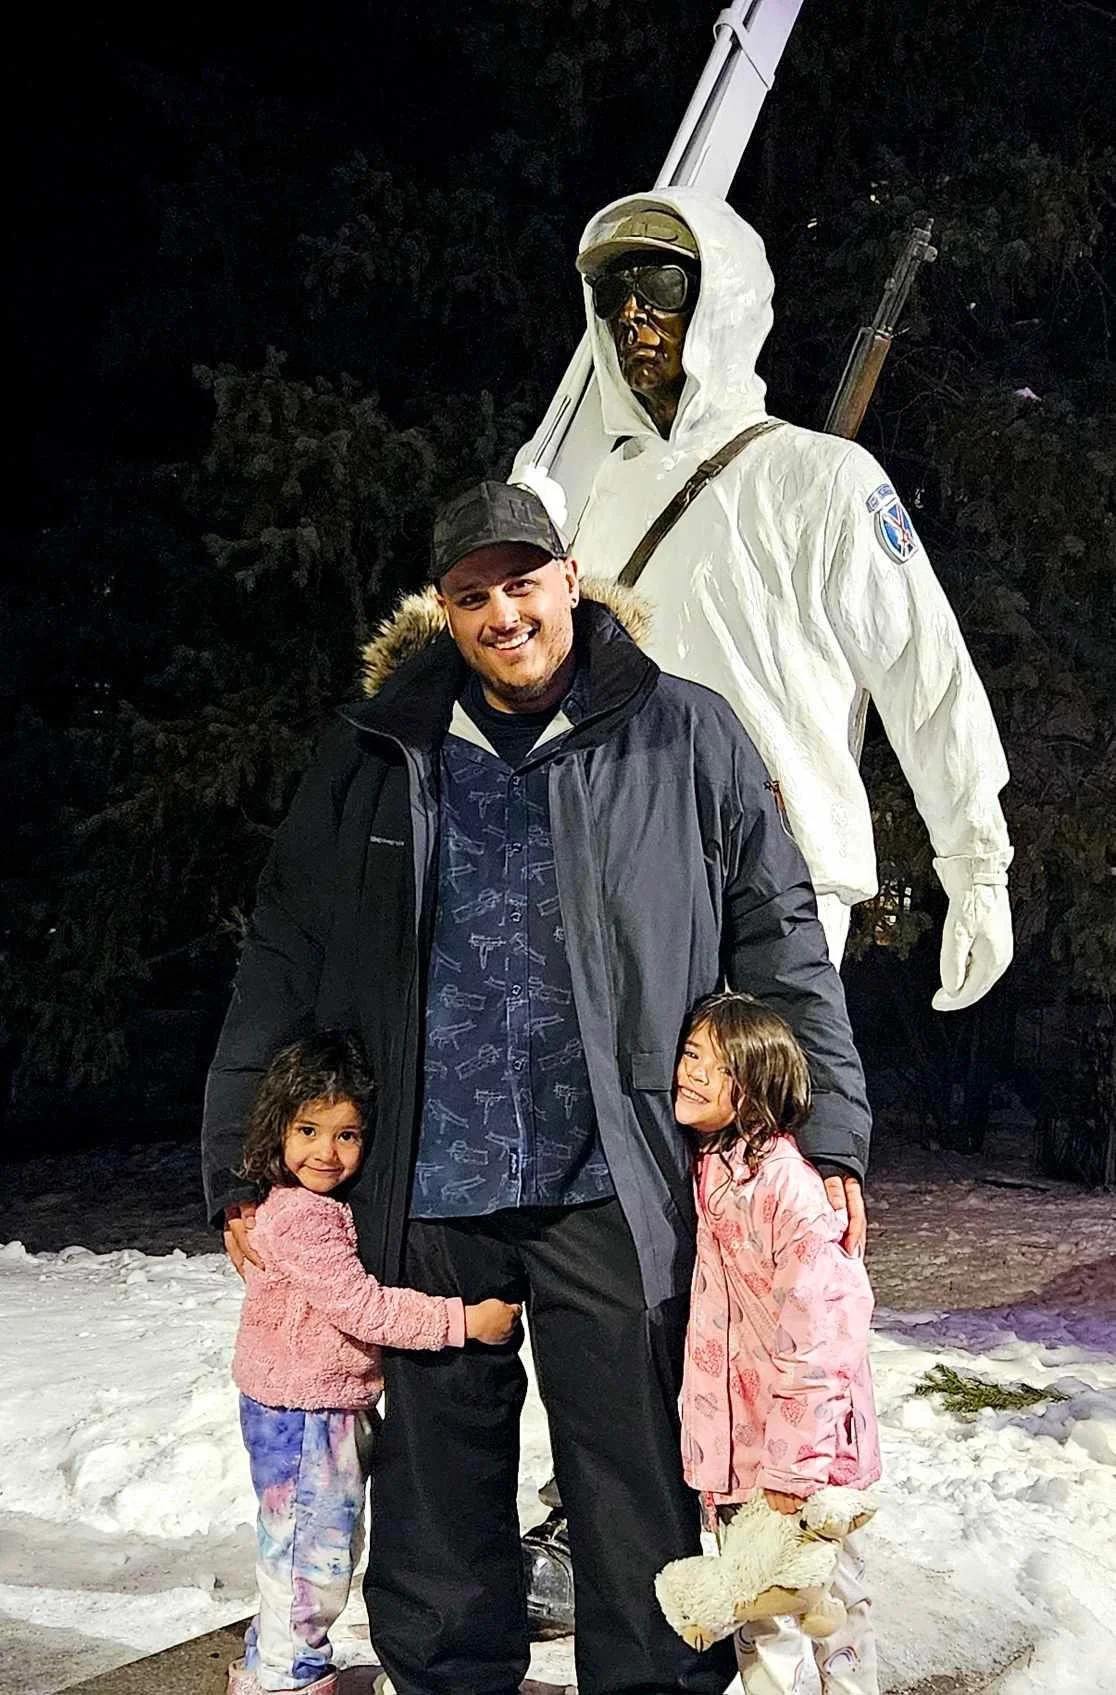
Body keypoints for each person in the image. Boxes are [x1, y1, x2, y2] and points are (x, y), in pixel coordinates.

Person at [202, 478, 872, 1695]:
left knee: (630, 1465)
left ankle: (651, 1679)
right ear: (445, 610)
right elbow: (283, 951)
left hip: (613, 1165)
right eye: (473, 594)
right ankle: (452, 1680)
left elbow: (777, 934)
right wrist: (239, 1165)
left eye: (524, 583)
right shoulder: (377, 747)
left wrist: (823, 1136)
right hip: (426, 1163)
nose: (503, 613)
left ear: (569, 580)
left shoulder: (684, 732)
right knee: (437, 1482)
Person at [514, 190, 1014, 1046]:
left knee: (761, 1153)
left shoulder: (825, 478)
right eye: (612, 289)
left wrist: (976, 865)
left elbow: (926, 675)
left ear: (723, 299)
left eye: (662, 282)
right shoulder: (587, 502)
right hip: (609, 872)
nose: (633, 309)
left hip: (777, 876)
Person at [225, 1030, 520, 1695]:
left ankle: (273, 1662)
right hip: (304, 1413)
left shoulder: (306, 1205)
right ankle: (286, 1679)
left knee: (297, 1543)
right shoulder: (301, 1218)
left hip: (307, 1404)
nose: (326, 1152)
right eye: (309, 1129)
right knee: (312, 1555)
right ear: (279, 1127)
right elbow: (364, 1308)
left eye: (347, 1134)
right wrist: (464, 1320)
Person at [675, 992, 881, 1695]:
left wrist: (795, 1471)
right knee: (764, 1622)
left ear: (756, 1084)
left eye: (711, 1062)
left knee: (833, 1610)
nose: (688, 1072)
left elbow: (828, 1333)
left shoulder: (789, 1190)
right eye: (688, 1054)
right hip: (739, 1459)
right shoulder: (708, 1172)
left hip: (809, 1466)